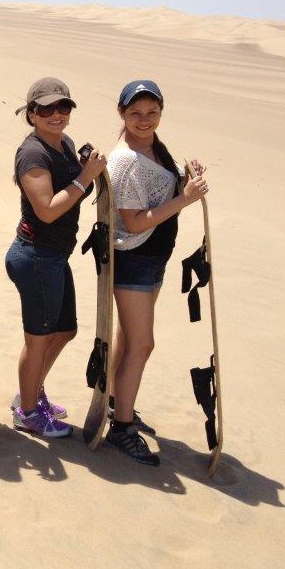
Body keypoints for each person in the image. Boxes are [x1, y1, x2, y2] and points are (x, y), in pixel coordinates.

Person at [105, 79, 208, 465]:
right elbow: (133, 223)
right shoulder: (125, 160)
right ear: (122, 114)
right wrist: (186, 198)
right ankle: (122, 428)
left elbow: (160, 194)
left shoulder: (153, 149)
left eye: (152, 112)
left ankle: (117, 404)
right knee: (142, 344)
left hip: (153, 258)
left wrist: (186, 179)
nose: (144, 120)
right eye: (135, 113)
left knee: (128, 339)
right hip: (134, 258)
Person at [5, 77, 106, 438]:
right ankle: (27, 413)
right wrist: (86, 177)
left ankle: (28, 394)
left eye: (63, 107)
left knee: (64, 331)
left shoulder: (64, 144)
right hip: (35, 256)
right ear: (32, 113)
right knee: (39, 339)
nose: (56, 114)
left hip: (54, 256)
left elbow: (72, 187)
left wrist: (83, 168)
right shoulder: (32, 153)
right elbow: (47, 210)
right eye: (46, 108)